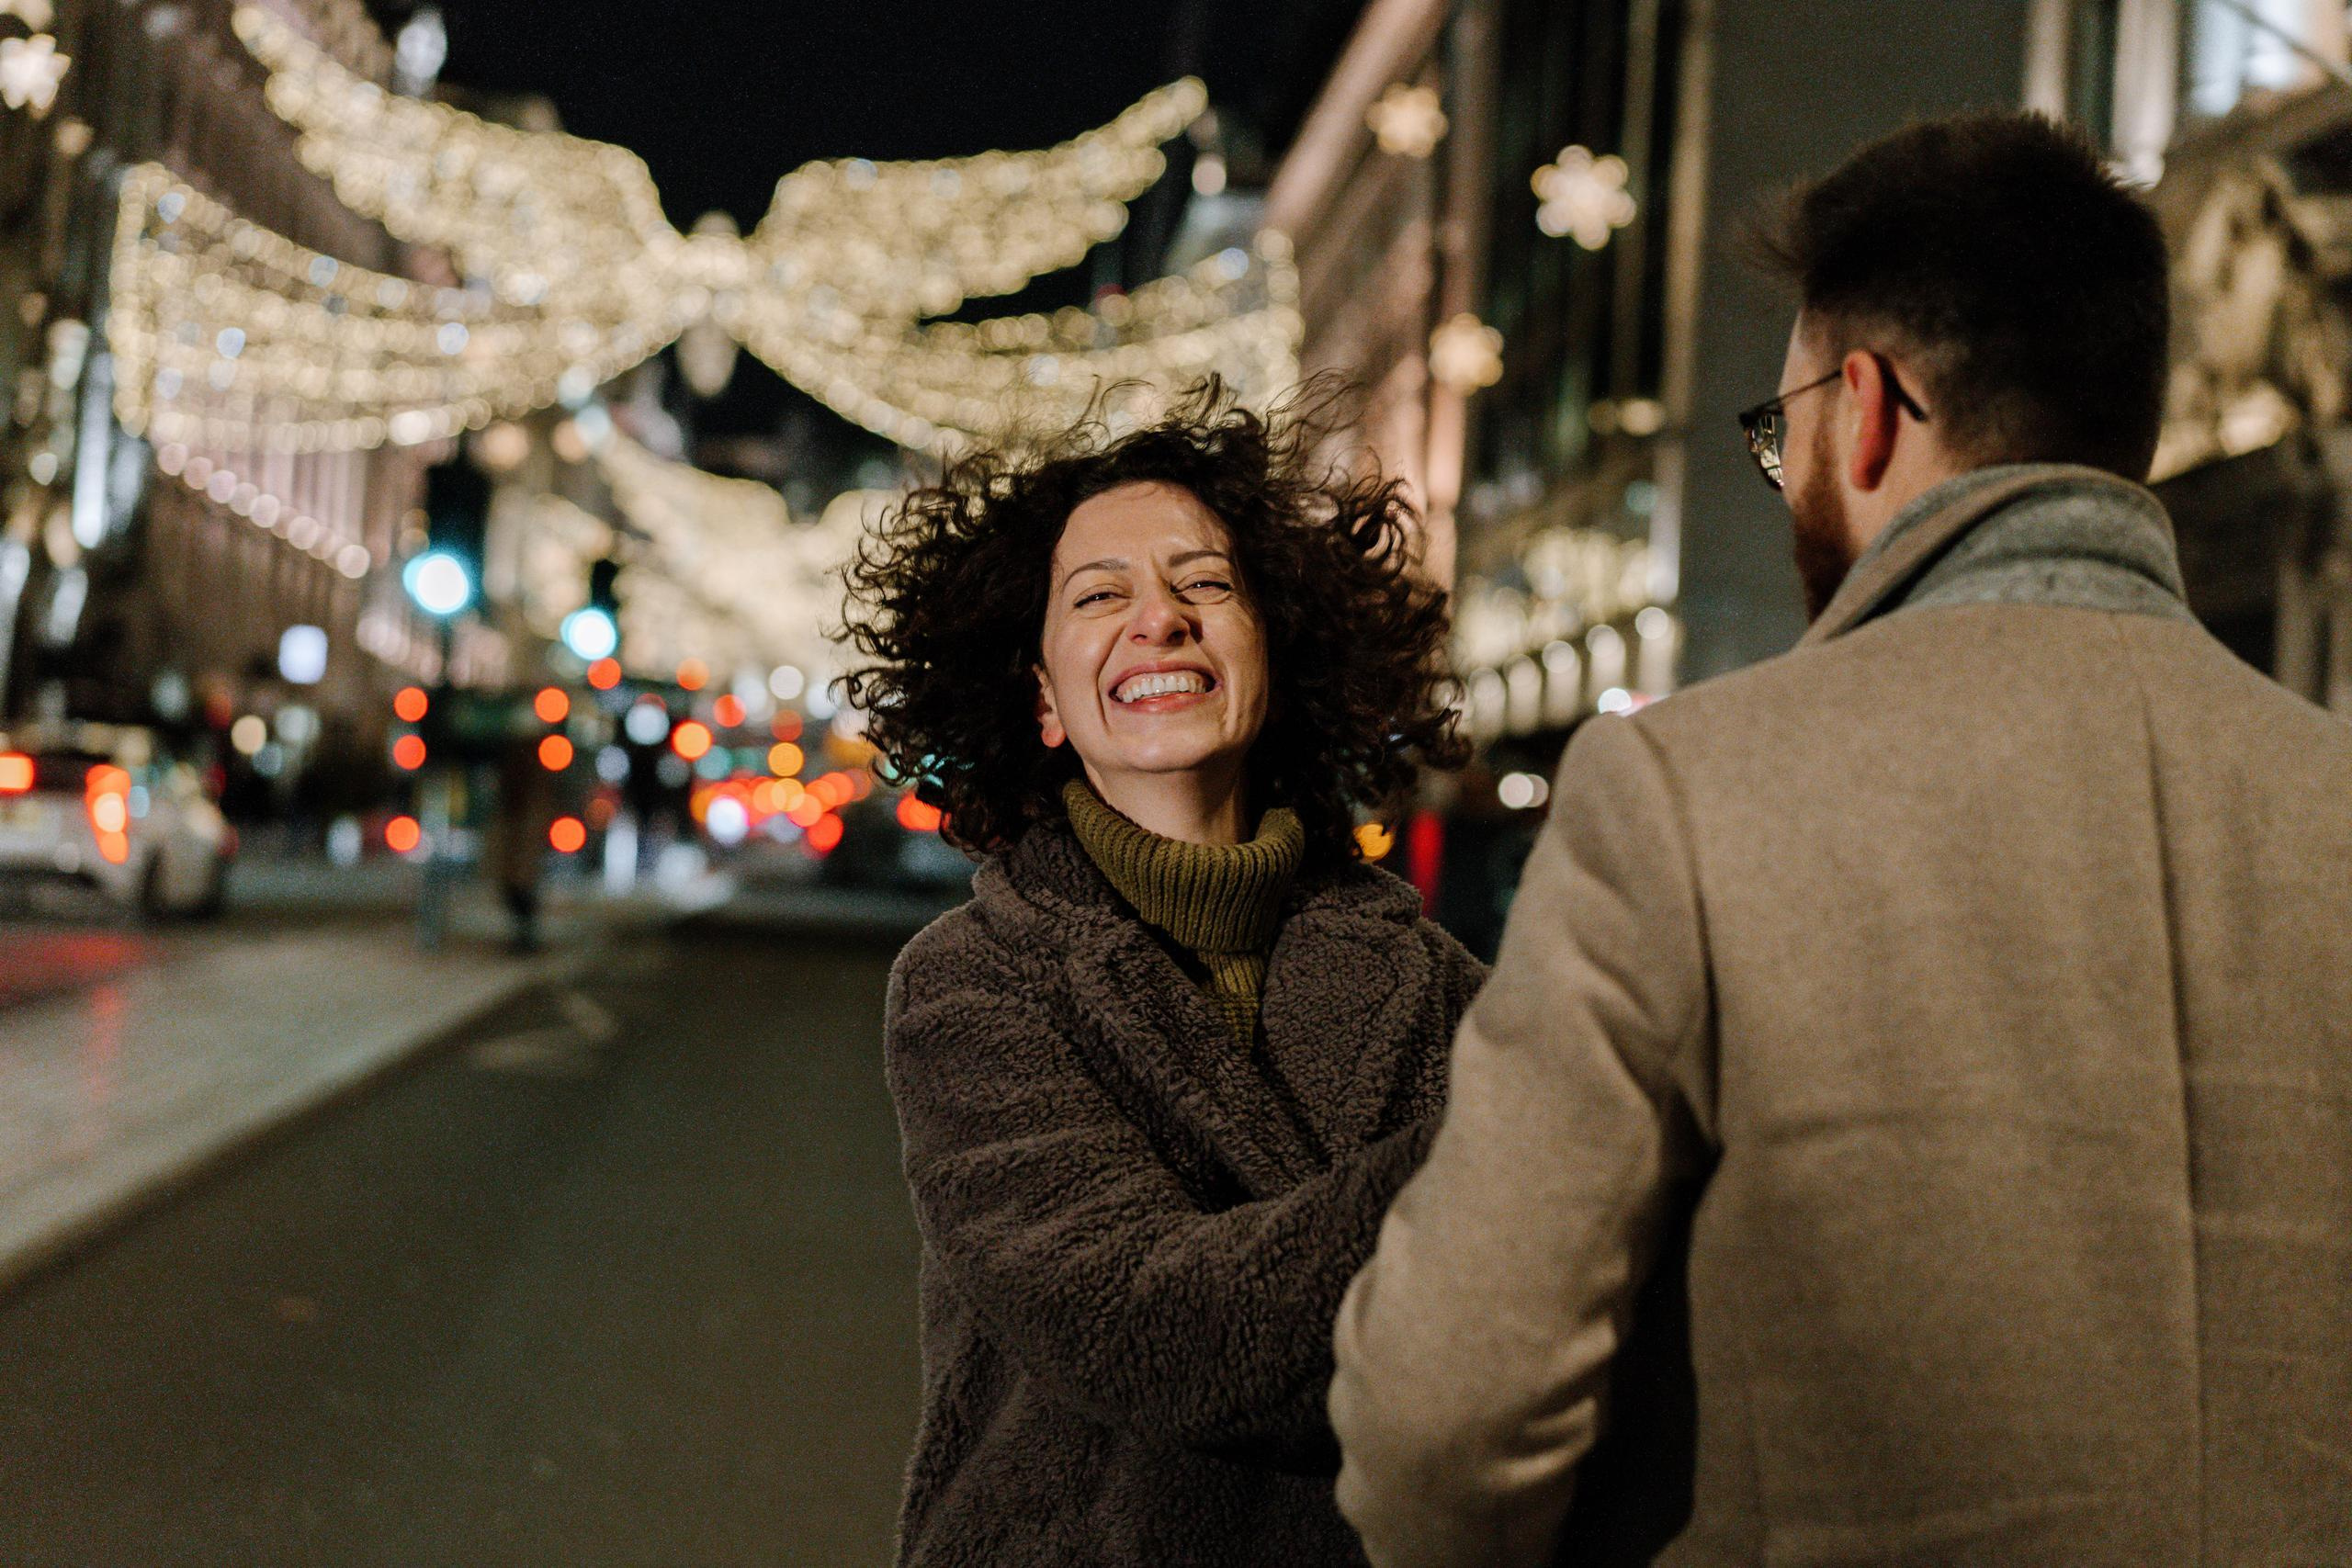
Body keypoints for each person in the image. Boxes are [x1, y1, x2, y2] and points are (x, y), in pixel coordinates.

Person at [1329, 111, 2352, 1567]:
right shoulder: (2329, 795)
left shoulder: (1682, 795)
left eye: (1781, 428)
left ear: (1866, 407)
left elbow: (1442, 1425)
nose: (1790, 468)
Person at [842, 382, 1484, 1568]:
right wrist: (1526, 1130)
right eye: (1100, 596)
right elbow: (1157, 1329)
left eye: (1207, 585)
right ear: (1040, 697)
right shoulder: (973, 985)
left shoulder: (1435, 981)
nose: (1160, 621)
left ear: (1274, 655)